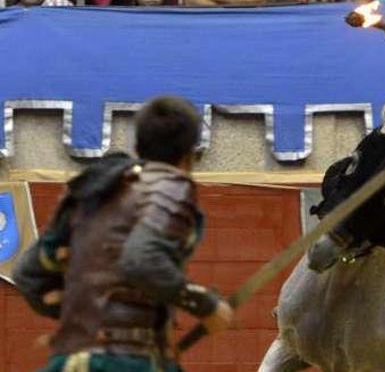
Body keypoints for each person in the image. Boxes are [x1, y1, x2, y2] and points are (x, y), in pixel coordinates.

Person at [12, 95, 234, 372]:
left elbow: (28, 274)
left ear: (138, 146)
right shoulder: (171, 187)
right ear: (189, 154)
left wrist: (82, 315)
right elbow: (142, 260)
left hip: (69, 361)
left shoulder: (93, 189)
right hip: (129, 362)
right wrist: (205, 305)